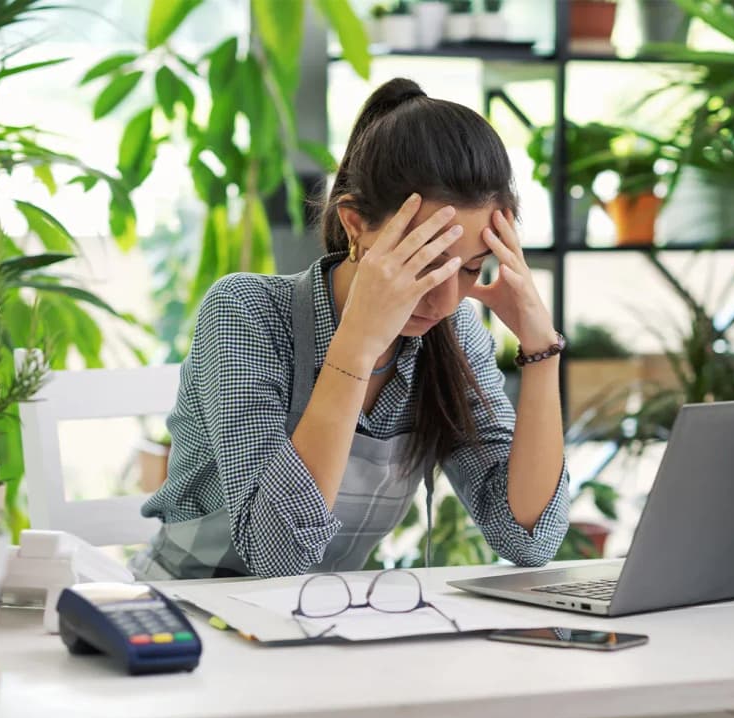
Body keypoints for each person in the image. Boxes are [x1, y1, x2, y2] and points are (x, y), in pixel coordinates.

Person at [130, 77, 570, 580]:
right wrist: (357, 346)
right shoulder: (245, 313)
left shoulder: (452, 337)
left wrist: (541, 350)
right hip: (187, 618)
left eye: (471, 269)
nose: (447, 300)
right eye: (424, 262)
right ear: (356, 225)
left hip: (322, 623)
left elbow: (527, 538)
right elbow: (276, 555)